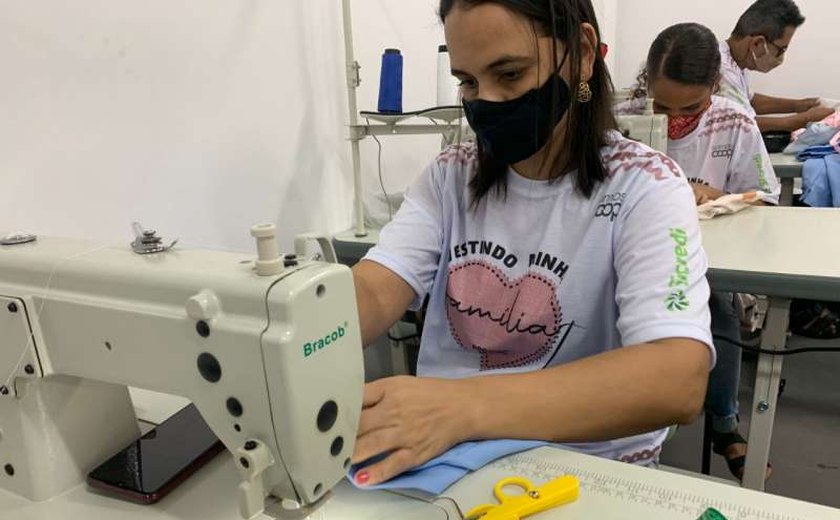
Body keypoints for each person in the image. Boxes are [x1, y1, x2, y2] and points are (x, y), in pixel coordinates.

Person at [348, 0, 714, 488]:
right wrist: (297, 325)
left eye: (511, 75)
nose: (487, 102)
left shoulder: (645, 185)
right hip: (447, 453)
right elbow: (374, 290)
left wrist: (462, 405)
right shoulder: (449, 177)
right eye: (469, 82)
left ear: (582, 54)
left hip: (584, 467)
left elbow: (675, 376)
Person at [620, 22, 776, 481]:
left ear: (715, 85)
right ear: (646, 82)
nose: (671, 121)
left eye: (689, 107)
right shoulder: (625, 118)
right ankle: (638, 430)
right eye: (661, 106)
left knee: (716, 313)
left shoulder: (734, 122)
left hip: (705, 259)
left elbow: (764, 197)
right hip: (634, 252)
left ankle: (724, 423)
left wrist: (714, 194)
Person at [719, 0, 833, 132]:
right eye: (781, 49)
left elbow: (747, 100)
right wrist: (800, 120)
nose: (781, 57)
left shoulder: (735, 61)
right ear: (757, 43)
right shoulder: (720, 69)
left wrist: (798, 105)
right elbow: (737, 124)